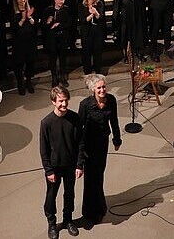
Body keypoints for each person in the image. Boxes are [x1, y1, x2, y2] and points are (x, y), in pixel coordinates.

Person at [40, 86, 84, 239]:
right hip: (54, 168)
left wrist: (79, 165)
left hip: (71, 165)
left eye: (65, 100)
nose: (64, 104)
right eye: (60, 101)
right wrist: (48, 170)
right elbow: (43, 149)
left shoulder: (75, 118)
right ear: (53, 102)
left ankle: (68, 220)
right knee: (51, 197)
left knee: (69, 194)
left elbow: (80, 143)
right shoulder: (46, 123)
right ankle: (52, 223)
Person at [79, 74, 122, 224]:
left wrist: (117, 139)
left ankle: (99, 206)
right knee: (91, 179)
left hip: (103, 144)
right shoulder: (85, 105)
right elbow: (80, 129)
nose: (102, 90)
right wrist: (81, 152)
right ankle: (89, 213)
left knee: (99, 176)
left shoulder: (111, 100)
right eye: (99, 88)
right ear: (93, 90)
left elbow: (114, 120)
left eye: (104, 87)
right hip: (89, 147)